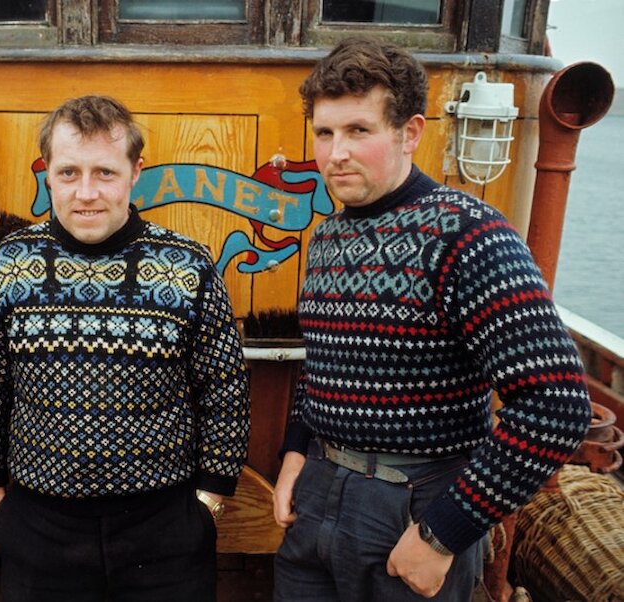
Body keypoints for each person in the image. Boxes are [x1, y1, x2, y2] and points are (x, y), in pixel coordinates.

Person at [272, 37, 592, 601]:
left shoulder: (468, 235)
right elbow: (323, 363)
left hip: (414, 504)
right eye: (325, 132)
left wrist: (443, 535)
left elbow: (556, 406)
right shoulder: (327, 236)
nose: (335, 153)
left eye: (358, 131)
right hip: (317, 496)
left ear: (410, 132)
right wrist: (295, 453)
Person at [0, 94, 251, 601]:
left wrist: (209, 502)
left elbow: (224, 388)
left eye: (105, 173)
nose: (86, 192)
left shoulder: (189, 266)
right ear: (46, 173)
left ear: (135, 172)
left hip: (164, 532)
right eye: (69, 173)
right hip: (40, 530)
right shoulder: (6, 265)